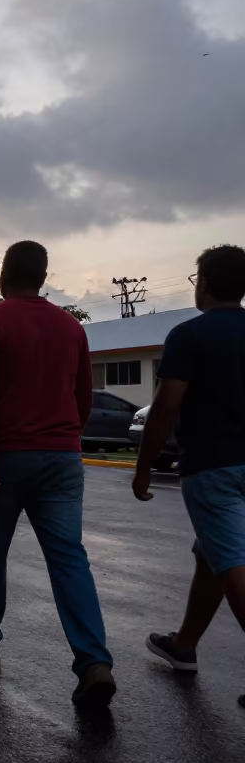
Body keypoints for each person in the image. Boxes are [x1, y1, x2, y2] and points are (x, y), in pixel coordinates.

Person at [0, 240, 115, 709]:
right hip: (63, 456)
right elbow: (83, 393)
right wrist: (65, 437)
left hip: (7, 456)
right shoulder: (70, 326)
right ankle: (93, 662)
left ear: (4, 273)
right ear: (44, 277)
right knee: (69, 558)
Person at [134, 244, 245, 711]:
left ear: (203, 283)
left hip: (213, 467)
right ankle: (183, 645)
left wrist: (144, 467)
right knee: (212, 556)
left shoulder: (189, 336)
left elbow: (165, 407)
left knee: (233, 561)